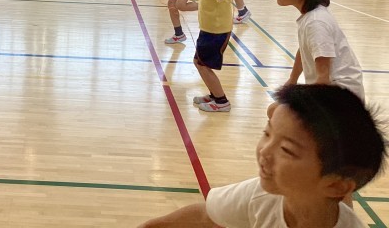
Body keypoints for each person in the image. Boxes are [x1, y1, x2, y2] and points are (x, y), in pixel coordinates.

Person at [138, 83, 386, 228]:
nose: (265, 151)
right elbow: (205, 216)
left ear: (335, 185)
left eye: (287, 149)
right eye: (267, 134)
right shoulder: (261, 195)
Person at [274, 0, 364, 100]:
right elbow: (304, 50)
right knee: (276, 109)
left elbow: (324, 76)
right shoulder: (310, 17)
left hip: (341, 96)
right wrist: (292, 79)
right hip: (329, 91)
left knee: (277, 110)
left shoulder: (316, 23)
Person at [178, 0, 235, 113]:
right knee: (199, 62)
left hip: (217, 30)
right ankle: (214, 95)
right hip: (209, 27)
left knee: (201, 64)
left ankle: (221, 101)